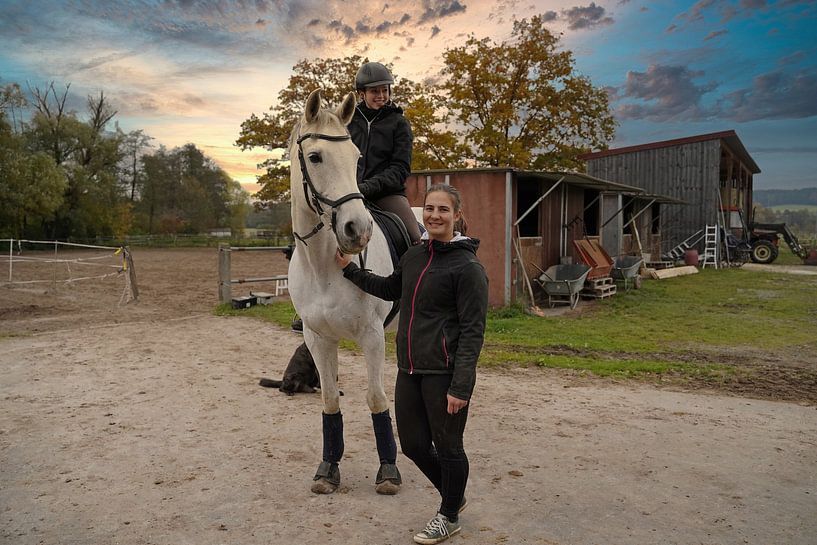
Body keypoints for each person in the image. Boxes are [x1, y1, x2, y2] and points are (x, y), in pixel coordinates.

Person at [335, 184, 488, 544]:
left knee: (449, 447)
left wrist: (461, 386)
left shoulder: (468, 268)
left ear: (457, 216)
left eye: (443, 210)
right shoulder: (415, 255)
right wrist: (349, 270)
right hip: (410, 369)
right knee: (414, 446)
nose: (434, 216)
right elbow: (391, 289)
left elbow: (473, 332)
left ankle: (448, 514)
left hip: (444, 373)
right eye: (430, 209)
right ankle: (455, 495)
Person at [350, 61, 422, 244]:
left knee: (415, 238)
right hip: (351, 192)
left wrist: (367, 187)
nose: (381, 96)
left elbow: (400, 168)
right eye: (375, 91)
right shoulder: (348, 123)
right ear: (361, 93)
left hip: (387, 194)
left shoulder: (399, 123)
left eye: (385, 90)